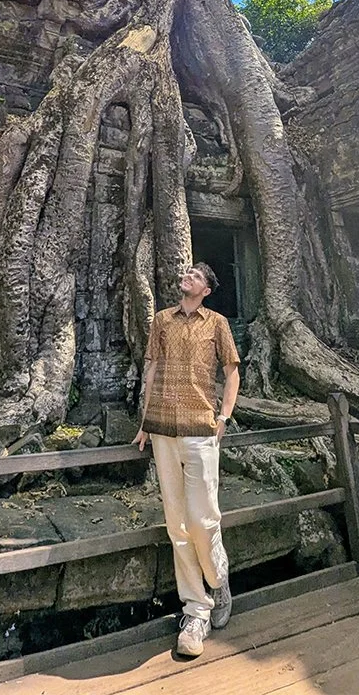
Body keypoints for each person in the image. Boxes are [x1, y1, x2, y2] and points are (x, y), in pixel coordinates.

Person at [133, 262, 240, 658]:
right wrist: (145, 421)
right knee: (176, 524)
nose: (187, 275)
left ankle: (218, 576)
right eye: (187, 272)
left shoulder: (217, 324)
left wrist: (224, 416)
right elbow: (152, 369)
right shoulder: (162, 320)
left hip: (200, 429)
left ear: (207, 289)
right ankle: (196, 611)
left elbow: (232, 372)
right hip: (162, 430)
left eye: (196, 275)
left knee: (202, 518)